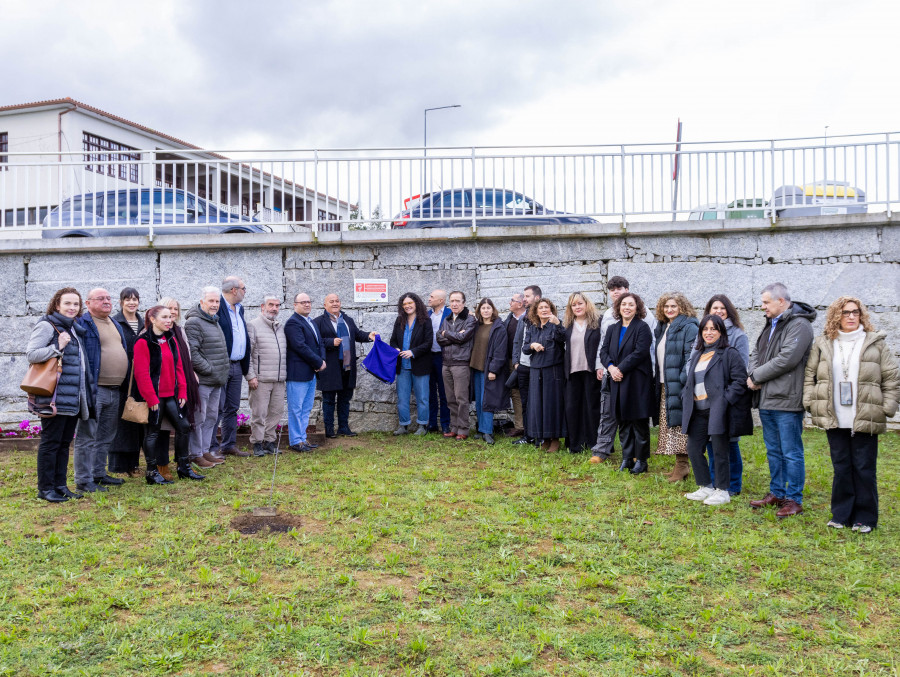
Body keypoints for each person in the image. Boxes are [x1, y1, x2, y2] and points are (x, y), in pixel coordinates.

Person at [803, 296, 900, 532]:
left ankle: (865, 518)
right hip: (835, 415)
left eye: (855, 312)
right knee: (842, 466)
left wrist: (886, 408)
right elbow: (810, 375)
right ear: (836, 315)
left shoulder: (875, 343)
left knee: (864, 468)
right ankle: (841, 515)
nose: (850, 316)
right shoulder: (824, 343)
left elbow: (891, 377)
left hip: (865, 414)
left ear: (861, 315)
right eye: (845, 312)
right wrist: (809, 402)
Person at [747, 282, 816, 518]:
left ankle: (794, 499)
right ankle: (777, 493)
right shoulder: (771, 325)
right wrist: (753, 375)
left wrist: (757, 376)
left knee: (791, 452)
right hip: (767, 398)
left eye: (766, 302)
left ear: (781, 302)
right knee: (774, 451)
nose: (762, 306)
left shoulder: (800, 326)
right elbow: (756, 352)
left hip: (787, 400)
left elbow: (788, 359)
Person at [26, 287, 93, 502]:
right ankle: (45, 489)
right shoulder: (48, 326)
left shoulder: (73, 328)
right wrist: (57, 346)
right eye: (67, 303)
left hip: (72, 397)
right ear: (57, 305)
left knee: (64, 443)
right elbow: (32, 353)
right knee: (51, 442)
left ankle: (60, 485)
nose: (72, 307)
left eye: (76, 304)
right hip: (54, 396)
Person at [681, 314, 750, 506]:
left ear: (721, 332)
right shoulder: (698, 354)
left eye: (713, 329)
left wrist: (725, 399)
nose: (709, 333)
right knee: (693, 449)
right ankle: (706, 486)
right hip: (698, 410)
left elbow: (739, 381)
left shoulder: (729, 353)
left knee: (720, 451)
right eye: (705, 329)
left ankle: (722, 490)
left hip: (717, 410)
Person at [132, 305, 203, 484]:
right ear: (153, 319)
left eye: (170, 317)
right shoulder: (143, 342)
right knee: (152, 433)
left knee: (184, 426)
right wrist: (150, 397)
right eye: (164, 317)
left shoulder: (170, 339)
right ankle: (151, 472)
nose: (169, 320)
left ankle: (183, 467)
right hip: (153, 398)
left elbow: (179, 368)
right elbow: (141, 373)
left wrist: (182, 391)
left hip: (171, 395)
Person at [591, 276, 657, 463]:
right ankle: (627, 458)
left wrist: (619, 369)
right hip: (616, 377)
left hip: (636, 378)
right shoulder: (612, 327)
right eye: (623, 305)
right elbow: (603, 350)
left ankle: (640, 459)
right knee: (622, 419)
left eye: (631, 304)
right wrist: (610, 368)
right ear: (618, 308)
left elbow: (641, 351)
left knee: (638, 420)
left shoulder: (642, 326)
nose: (627, 307)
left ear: (637, 308)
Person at [72, 287, 129, 493]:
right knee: (87, 436)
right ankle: (84, 480)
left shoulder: (114, 323)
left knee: (106, 435)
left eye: (108, 297)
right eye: (100, 298)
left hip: (115, 389)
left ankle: (98, 473)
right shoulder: (83, 323)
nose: (106, 301)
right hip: (94, 388)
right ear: (88, 303)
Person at [694, 294, 749, 495]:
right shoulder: (704, 334)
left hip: (724, 398)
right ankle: (715, 482)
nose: (718, 311)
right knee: (712, 442)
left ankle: (732, 485)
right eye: (714, 308)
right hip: (706, 400)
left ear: (729, 310)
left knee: (729, 444)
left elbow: (741, 367)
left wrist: (725, 397)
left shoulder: (738, 335)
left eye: (722, 308)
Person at [312, 293, 375, 439]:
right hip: (329, 367)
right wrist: (330, 342)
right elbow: (315, 341)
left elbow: (357, 334)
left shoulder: (347, 320)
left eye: (337, 301)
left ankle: (343, 427)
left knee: (345, 398)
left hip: (347, 365)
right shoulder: (318, 322)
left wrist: (369, 336)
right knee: (328, 400)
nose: (335, 303)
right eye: (331, 301)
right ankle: (329, 429)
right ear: (325, 305)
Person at [652, 292, 699, 482]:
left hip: (679, 384)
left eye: (673, 306)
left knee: (681, 426)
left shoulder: (689, 326)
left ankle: (683, 466)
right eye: (666, 306)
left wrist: (682, 380)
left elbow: (691, 356)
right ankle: (680, 465)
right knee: (671, 424)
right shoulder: (664, 327)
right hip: (665, 383)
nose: (669, 310)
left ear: (682, 307)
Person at [184, 287, 231, 467]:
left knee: (211, 417)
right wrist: (210, 370)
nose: (214, 305)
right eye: (211, 301)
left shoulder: (214, 321)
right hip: (204, 380)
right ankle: (195, 454)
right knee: (199, 417)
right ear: (202, 302)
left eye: (217, 301)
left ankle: (204, 451)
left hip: (216, 381)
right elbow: (193, 353)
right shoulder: (194, 322)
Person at [156, 297, 202, 479]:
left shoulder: (179, 331)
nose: (173, 312)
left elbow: (187, 356)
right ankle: (161, 465)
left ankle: (183, 464)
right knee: (162, 429)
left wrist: (191, 374)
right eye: (168, 309)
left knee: (184, 425)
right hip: (163, 388)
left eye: (175, 309)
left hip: (182, 385)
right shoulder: (154, 333)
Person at [214, 276, 251, 458]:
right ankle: (211, 448)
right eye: (244, 288)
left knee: (232, 407)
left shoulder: (240, 309)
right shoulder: (217, 307)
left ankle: (228, 445)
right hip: (221, 365)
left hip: (236, 365)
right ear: (234, 290)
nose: (245, 292)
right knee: (217, 407)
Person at [523, 298, 566, 452]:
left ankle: (555, 439)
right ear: (536, 311)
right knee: (539, 405)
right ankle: (544, 438)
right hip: (536, 370)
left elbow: (565, 339)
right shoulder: (532, 328)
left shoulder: (556, 325)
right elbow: (525, 349)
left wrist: (558, 325)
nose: (543, 310)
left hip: (553, 370)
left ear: (551, 309)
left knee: (552, 404)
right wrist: (532, 345)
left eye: (546, 307)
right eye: (540, 308)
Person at [285, 292, 326, 452]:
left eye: (309, 301)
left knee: (306, 408)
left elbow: (319, 343)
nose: (307, 304)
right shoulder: (293, 323)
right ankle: (296, 441)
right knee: (296, 409)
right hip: (298, 374)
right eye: (303, 302)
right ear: (295, 305)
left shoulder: (310, 321)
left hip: (311, 373)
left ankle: (302, 438)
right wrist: (318, 362)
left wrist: (321, 360)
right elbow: (300, 346)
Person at [109, 288, 144, 476]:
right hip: (122, 378)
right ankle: (117, 465)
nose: (132, 303)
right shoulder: (115, 322)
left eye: (135, 299)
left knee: (137, 421)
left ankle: (133, 464)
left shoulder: (143, 322)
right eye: (127, 299)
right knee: (120, 423)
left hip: (140, 378)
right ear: (121, 301)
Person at [247, 295, 287, 456]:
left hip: (279, 379)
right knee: (259, 413)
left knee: (276, 412)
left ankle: (270, 442)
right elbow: (247, 354)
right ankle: (257, 443)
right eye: (271, 305)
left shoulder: (279, 327)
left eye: (277, 305)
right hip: (261, 379)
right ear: (262, 307)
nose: (274, 308)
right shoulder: (253, 326)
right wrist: (251, 376)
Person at [563, 292, 603, 453]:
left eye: (580, 303)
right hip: (572, 372)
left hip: (591, 371)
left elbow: (603, 345)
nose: (577, 307)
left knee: (592, 407)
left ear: (587, 304)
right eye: (574, 305)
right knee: (572, 408)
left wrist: (601, 366)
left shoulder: (597, 323)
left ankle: (594, 442)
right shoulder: (567, 325)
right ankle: (575, 444)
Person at [390, 292, 433, 435]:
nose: (407, 306)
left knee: (422, 397)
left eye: (410, 303)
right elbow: (393, 340)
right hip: (402, 366)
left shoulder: (425, 320)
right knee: (402, 398)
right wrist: (395, 348)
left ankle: (422, 425)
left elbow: (428, 343)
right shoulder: (399, 320)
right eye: (405, 304)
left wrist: (412, 352)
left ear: (416, 304)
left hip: (420, 364)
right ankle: (403, 425)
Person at [437, 290, 476, 440]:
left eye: (457, 301)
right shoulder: (447, 318)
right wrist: (452, 335)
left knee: (461, 399)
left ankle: (463, 430)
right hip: (446, 363)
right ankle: (454, 427)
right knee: (450, 398)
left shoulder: (470, 320)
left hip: (461, 364)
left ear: (463, 303)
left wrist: (447, 334)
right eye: (452, 301)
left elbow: (463, 337)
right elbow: (439, 338)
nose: (454, 304)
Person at [470, 298, 509, 445]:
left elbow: (500, 352)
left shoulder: (498, 327)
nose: (485, 310)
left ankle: (487, 431)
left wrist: (493, 370)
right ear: (479, 310)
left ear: (493, 310)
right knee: (479, 401)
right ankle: (481, 429)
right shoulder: (476, 326)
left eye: (488, 308)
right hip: (476, 368)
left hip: (489, 370)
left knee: (487, 401)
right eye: (483, 308)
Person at [511, 285, 542, 445]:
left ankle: (540, 436)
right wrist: (516, 361)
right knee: (525, 402)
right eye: (524, 296)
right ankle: (528, 435)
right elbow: (517, 340)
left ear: (536, 298)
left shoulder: (543, 315)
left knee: (538, 402)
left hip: (537, 367)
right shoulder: (524, 317)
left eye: (527, 296)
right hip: (523, 366)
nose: (524, 299)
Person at [427, 289, 452, 434]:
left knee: (444, 392)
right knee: (430, 392)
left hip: (443, 357)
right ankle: (432, 424)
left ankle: (445, 424)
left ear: (441, 300)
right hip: (428, 357)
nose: (429, 299)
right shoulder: (427, 315)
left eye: (432, 297)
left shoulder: (449, 314)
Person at [504, 293, 527, 437]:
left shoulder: (528, 319)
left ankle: (528, 425)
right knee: (515, 393)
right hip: (510, 362)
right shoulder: (509, 319)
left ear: (520, 304)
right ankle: (520, 426)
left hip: (524, 362)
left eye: (512, 300)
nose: (510, 302)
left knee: (526, 393)